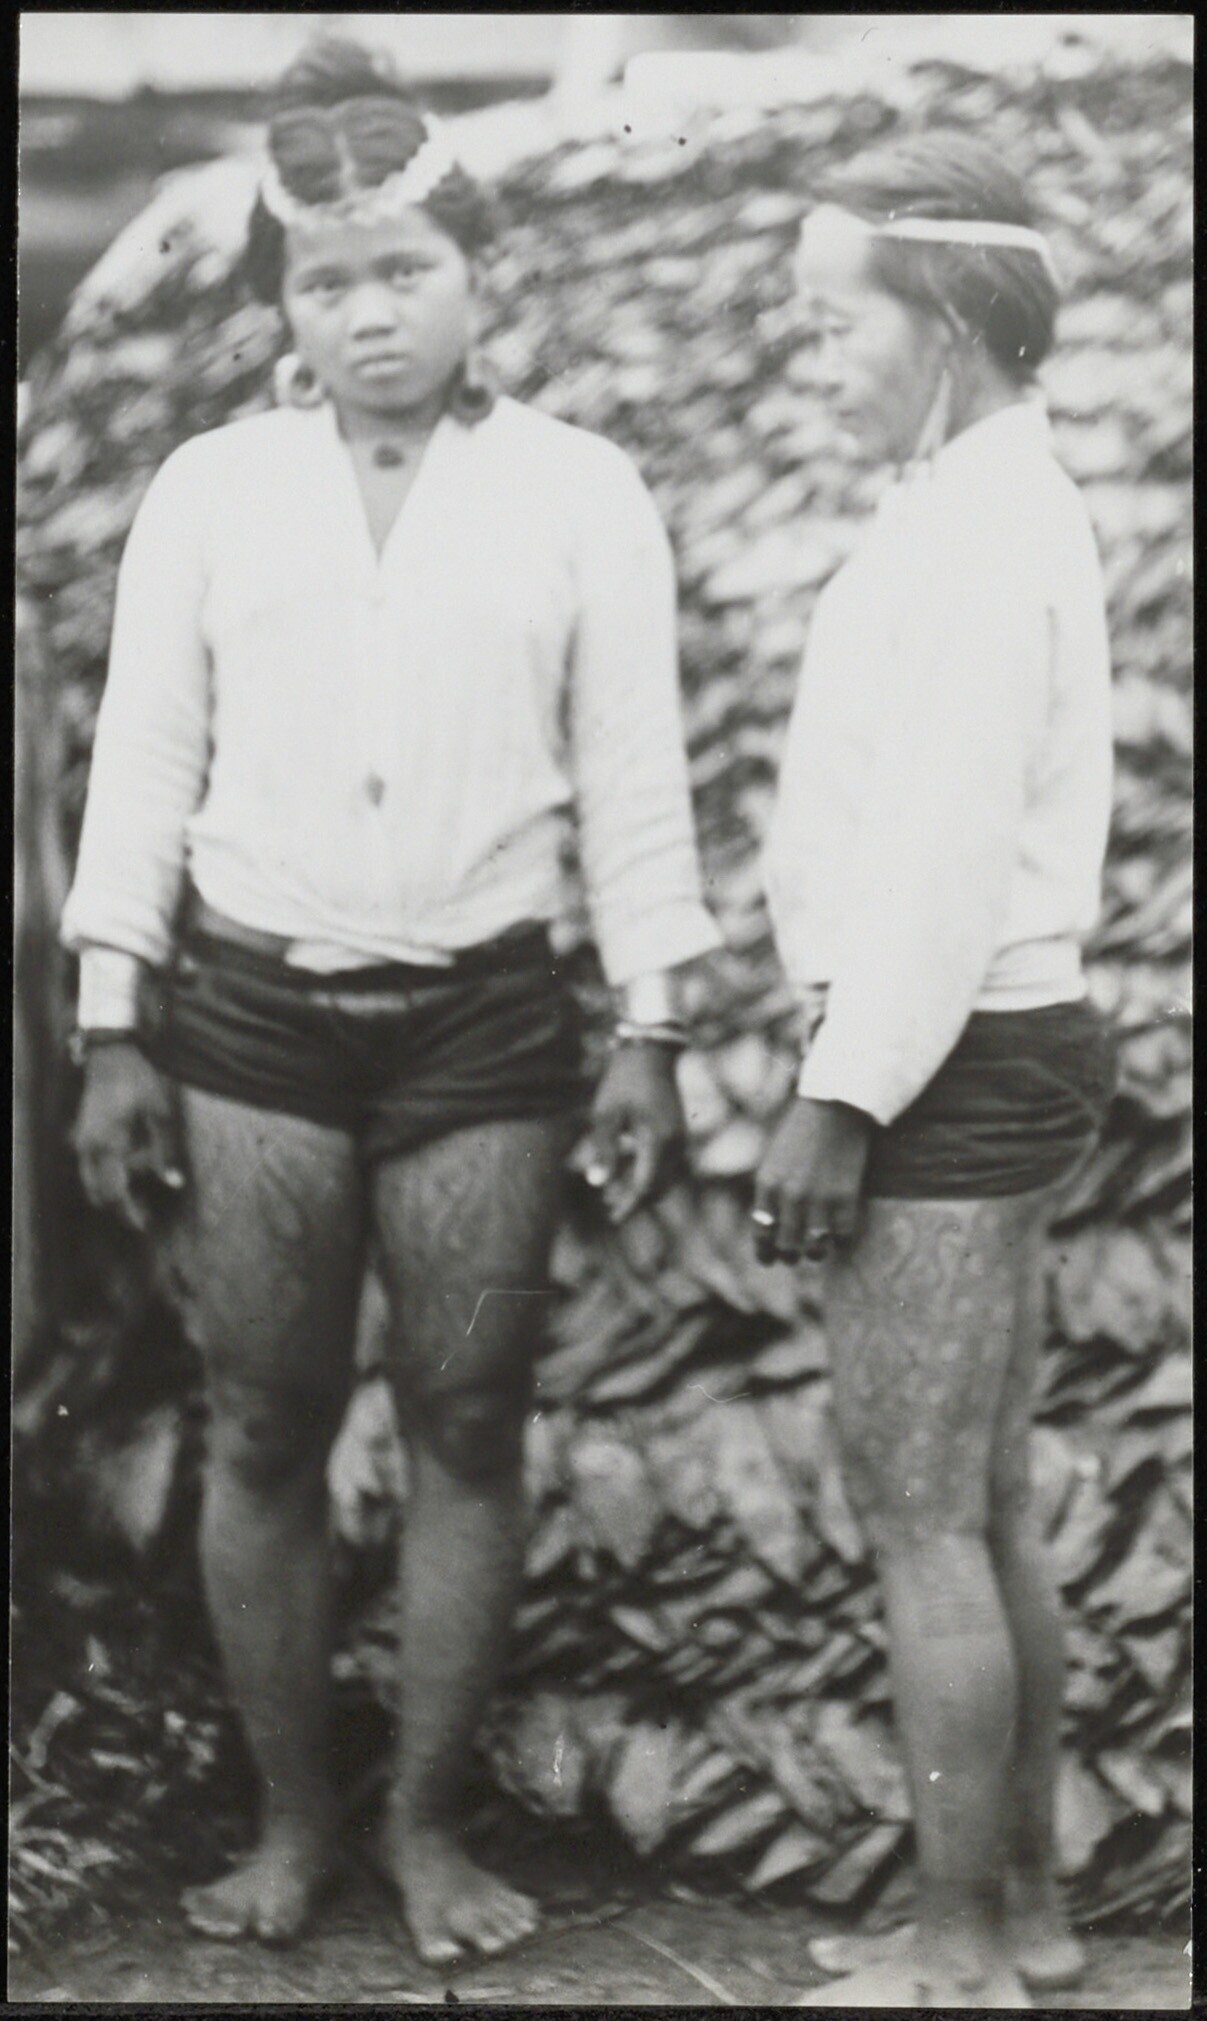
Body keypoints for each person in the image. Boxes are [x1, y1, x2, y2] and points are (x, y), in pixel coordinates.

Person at [62, 37, 718, 1964]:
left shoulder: (581, 492)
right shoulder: (211, 490)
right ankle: (290, 1828)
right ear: (283, 298)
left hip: (488, 1036)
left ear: (478, 272)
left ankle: (428, 1828)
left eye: (407, 269)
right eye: (329, 279)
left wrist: (655, 1029)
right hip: (254, 1027)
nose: (370, 312)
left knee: (469, 1412)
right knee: (265, 1421)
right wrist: (113, 1027)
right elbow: (143, 764)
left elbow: (636, 777)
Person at [755, 135, 1115, 2009]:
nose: (810, 355)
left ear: (952, 326)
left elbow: (945, 855)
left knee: (923, 1515)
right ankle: (1019, 1912)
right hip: (988, 1042)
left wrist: (843, 1092)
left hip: (945, 1054)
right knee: (976, 1501)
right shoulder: (973, 501)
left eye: (836, 321)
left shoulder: (985, 531)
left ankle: (961, 1946)